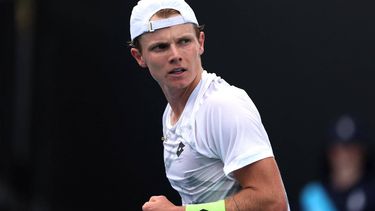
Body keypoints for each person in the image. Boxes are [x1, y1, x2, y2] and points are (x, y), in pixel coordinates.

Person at [128, 0, 289, 210]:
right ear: (139, 56)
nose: (175, 55)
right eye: (160, 47)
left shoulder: (222, 105)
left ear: (200, 42)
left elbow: (272, 201)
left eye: (184, 41)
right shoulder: (171, 114)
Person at [299, 114, 375, 211]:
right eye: (336, 151)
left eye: (351, 150)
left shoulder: (372, 193)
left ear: (362, 153)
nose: (344, 157)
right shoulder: (313, 195)